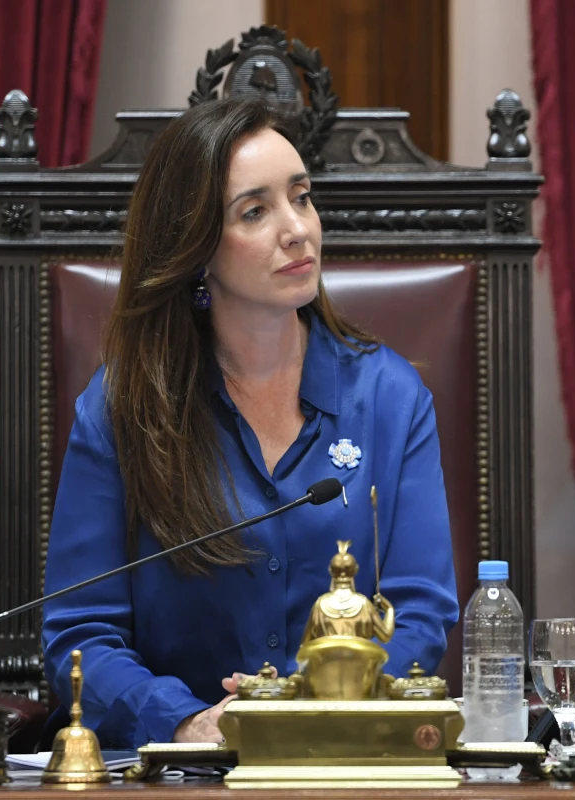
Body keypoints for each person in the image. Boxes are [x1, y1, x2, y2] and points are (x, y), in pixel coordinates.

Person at [40, 96, 458, 749]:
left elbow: (420, 613)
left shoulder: (390, 397)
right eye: (256, 211)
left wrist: (294, 708)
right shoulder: (122, 408)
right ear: (196, 247)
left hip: (344, 763)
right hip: (185, 776)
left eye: (302, 197)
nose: (297, 228)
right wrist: (185, 719)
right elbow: (80, 635)